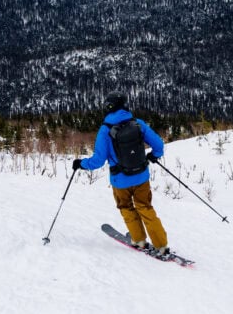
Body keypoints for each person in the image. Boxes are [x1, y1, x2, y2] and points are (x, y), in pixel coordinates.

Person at [72, 92, 169, 255]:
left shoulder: (105, 130)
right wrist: (154, 155)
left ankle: (139, 240)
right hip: (141, 176)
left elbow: (98, 161)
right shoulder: (138, 124)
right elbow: (158, 144)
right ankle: (161, 245)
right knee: (145, 207)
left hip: (120, 179)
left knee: (126, 207)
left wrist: (81, 163)